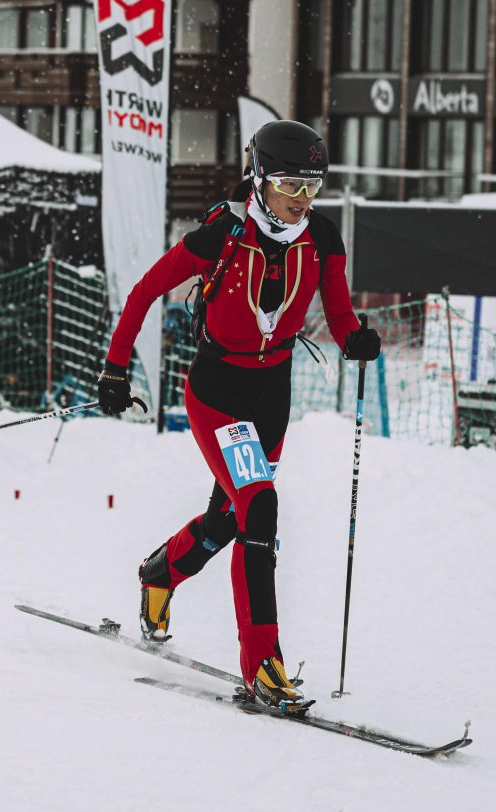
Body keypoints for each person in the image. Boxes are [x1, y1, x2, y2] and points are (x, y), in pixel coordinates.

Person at [96, 120, 380, 713]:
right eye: (290, 185)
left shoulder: (323, 237)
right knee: (261, 505)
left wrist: (356, 339)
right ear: (259, 178)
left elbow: (340, 311)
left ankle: (160, 572)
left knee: (231, 518)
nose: (301, 199)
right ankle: (262, 664)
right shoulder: (223, 232)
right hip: (218, 390)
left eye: (312, 186)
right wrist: (116, 371)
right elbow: (145, 290)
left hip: (272, 395)